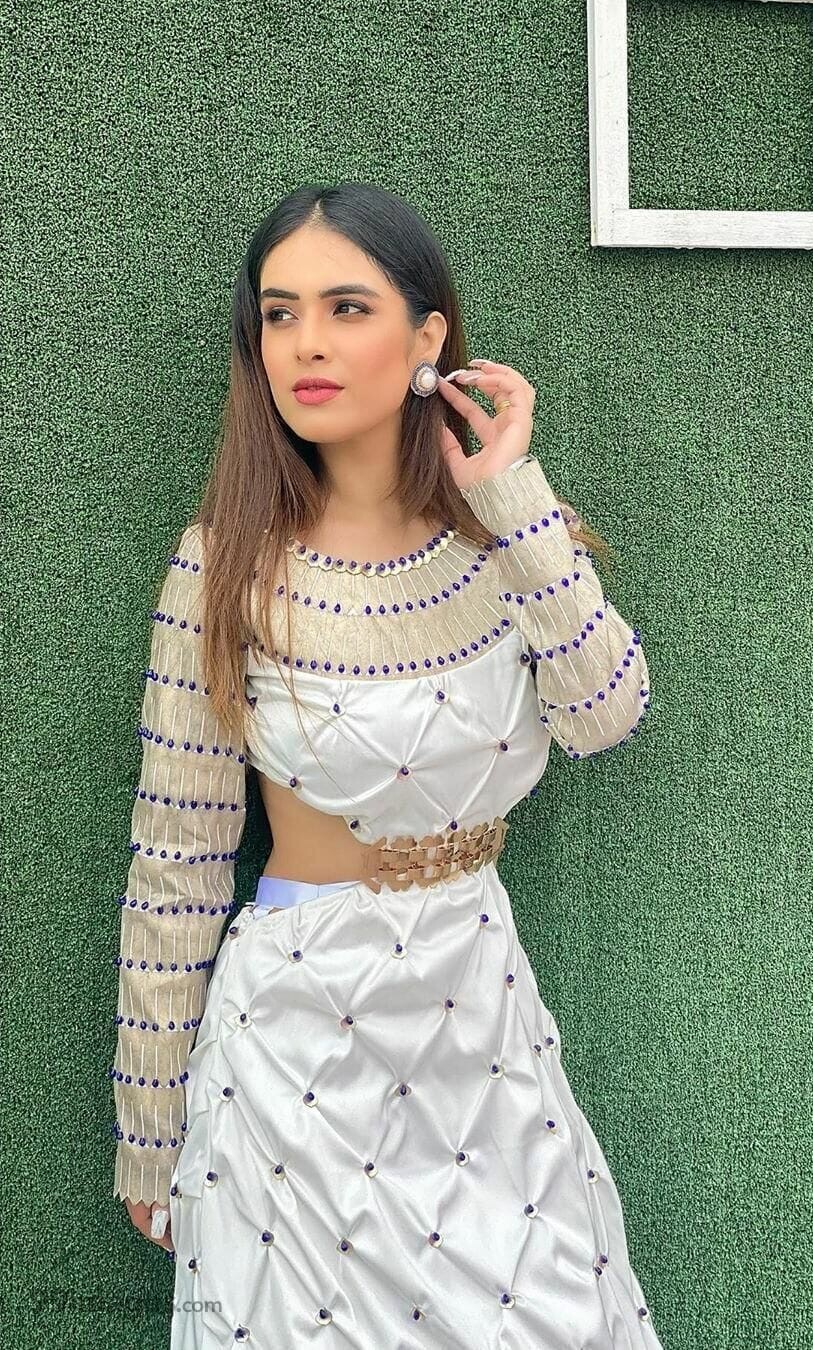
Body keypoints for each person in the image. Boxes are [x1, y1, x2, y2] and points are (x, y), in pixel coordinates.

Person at [110, 181, 663, 1349]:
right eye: (278, 313)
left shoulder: (506, 536)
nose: (305, 343)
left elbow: (606, 714)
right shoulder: (224, 566)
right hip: (295, 1044)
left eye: (346, 307)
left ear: (427, 338)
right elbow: (177, 862)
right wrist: (151, 1130)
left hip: (480, 1019)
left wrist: (508, 491)